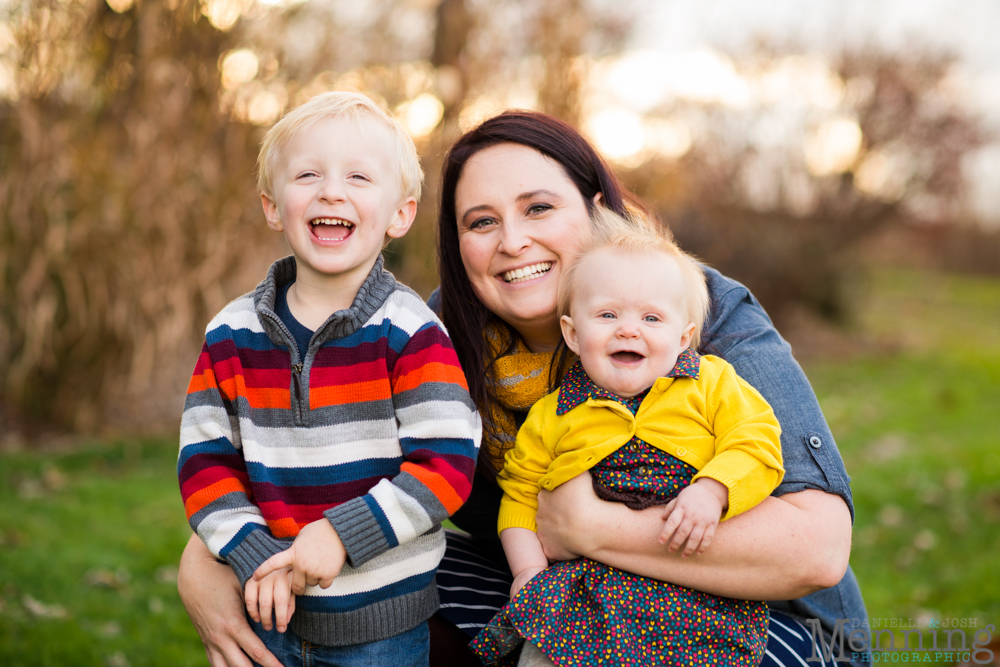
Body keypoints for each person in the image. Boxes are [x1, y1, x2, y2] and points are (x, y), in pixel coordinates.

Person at [177, 109, 866, 667]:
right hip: (560, 585)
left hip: (767, 615)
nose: (512, 241)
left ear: (598, 212)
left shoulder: (688, 310)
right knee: (383, 584)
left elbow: (816, 548)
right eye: (481, 221)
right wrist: (208, 559)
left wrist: (591, 526)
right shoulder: (433, 334)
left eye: (538, 208)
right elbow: (313, 453)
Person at [177, 91, 480, 667]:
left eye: (359, 177)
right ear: (272, 206)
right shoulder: (230, 334)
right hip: (264, 612)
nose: (331, 191)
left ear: (401, 214)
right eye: (308, 174)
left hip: (380, 631)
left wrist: (343, 533)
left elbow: (446, 462)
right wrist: (252, 554)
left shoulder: (410, 332)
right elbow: (205, 462)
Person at [470, 210, 785, 666]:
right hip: (584, 597)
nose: (628, 328)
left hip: (699, 597)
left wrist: (713, 491)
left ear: (684, 338)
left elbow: (757, 441)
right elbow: (519, 495)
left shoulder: (712, 384)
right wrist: (527, 571)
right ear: (573, 334)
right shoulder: (554, 413)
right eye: (607, 314)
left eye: (651, 317)